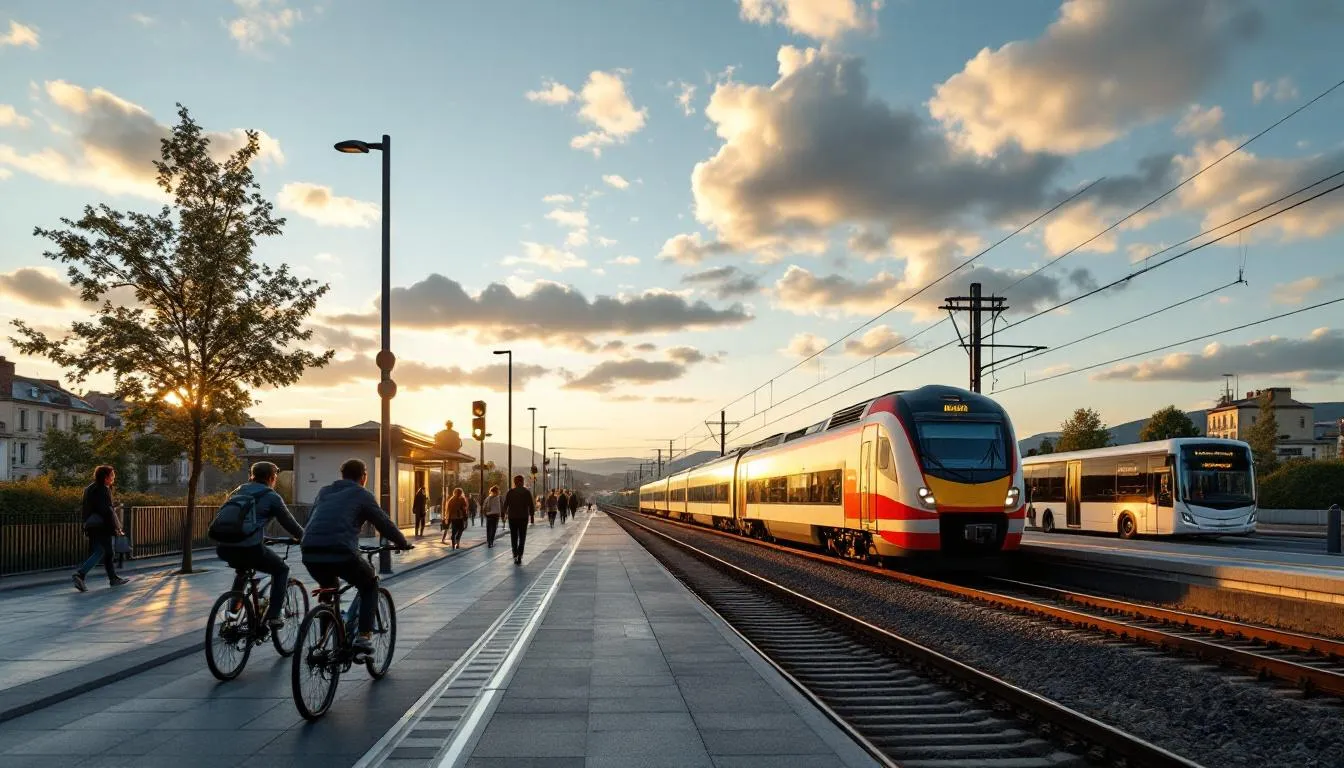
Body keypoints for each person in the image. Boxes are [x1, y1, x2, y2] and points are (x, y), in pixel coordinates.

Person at [301, 459, 411, 656]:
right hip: (341, 551)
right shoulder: (363, 494)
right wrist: (402, 542)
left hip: (310, 551)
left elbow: (313, 520)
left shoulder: (324, 491)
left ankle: (323, 639)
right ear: (364, 477)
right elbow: (383, 523)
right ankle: (364, 636)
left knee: (329, 588)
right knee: (369, 584)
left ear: (342, 475)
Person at [215, 461, 305, 630]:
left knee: (242, 571)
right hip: (249, 549)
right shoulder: (272, 496)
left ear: (252, 476)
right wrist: (308, 539)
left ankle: (232, 614)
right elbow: (290, 525)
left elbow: (240, 522)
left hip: (224, 548)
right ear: (272, 477)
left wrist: (262, 537)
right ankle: (273, 616)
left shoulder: (238, 491)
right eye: (275, 477)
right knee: (281, 570)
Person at [73, 465, 130, 592]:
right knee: (108, 552)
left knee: (99, 552)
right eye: (112, 475)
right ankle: (111, 579)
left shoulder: (89, 489)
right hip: (102, 526)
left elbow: (86, 509)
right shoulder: (103, 490)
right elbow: (106, 511)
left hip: (91, 525)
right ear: (105, 477)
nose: (113, 478)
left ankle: (81, 575)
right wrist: (116, 528)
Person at [503, 475, 534, 564]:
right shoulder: (526, 492)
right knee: (522, 536)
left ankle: (515, 553)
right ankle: (520, 554)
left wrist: (503, 514)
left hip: (512, 517)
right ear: (522, 481)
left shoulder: (510, 492)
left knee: (514, 536)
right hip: (523, 517)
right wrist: (531, 515)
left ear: (514, 482)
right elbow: (531, 505)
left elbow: (505, 505)